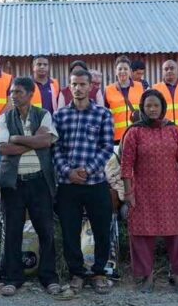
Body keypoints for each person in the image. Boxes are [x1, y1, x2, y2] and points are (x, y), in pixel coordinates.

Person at [120, 89, 178, 294]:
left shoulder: (173, 130)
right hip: (142, 191)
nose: (152, 109)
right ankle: (148, 277)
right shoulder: (134, 132)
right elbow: (126, 166)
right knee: (142, 234)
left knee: (177, 233)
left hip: (171, 191)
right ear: (142, 108)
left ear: (163, 108)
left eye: (156, 106)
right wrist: (128, 194)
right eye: (148, 106)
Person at [0, 77, 61, 297]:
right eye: (12, 92)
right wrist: (32, 140)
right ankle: (13, 278)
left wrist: (18, 138)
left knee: (46, 230)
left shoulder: (43, 114)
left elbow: (46, 142)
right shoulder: (4, 117)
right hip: (12, 183)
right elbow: (4, 148)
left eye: (19, 92)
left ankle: (49, 277)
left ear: (31, 93)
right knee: (13, 231)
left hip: (39, 181)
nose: (14, 96)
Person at [53, 69, 115, 295]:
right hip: (68, 185)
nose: (78, 88)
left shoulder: (103, 114)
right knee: (70, 231)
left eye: (82, 84)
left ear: (90, 87)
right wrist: (68, 172)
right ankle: (76, 274)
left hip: (95, 183)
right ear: (69, 87)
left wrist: (87, 171)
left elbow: (107, 148)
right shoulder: (59, 116)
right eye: (74, 84)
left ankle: (98, 273)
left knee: (101, 230)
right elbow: (55, 148)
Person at [104, 56, 145, 144]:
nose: (122, 71)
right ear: (116, 71)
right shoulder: (108, 90)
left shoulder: (140, 87)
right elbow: (104, 115)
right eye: (120, 69)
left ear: (130, 71)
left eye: (125, 69)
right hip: (116, 138)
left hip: (137, 135)